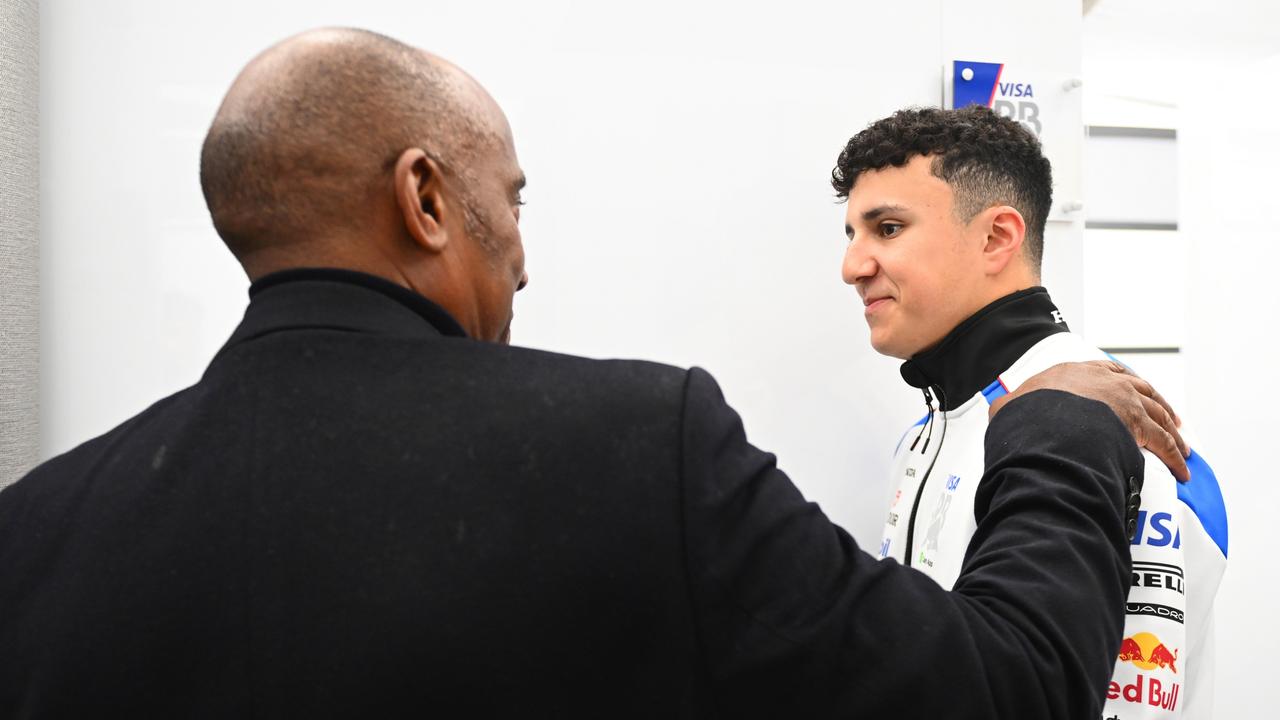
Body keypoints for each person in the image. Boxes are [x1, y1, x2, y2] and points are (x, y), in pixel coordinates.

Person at [0, 29, 1184, 718]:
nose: (519, 259)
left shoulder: (38, 532)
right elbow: (1007, 690)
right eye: (508, 204)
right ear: (423, 199)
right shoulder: (634, 445)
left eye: (887, 230)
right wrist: (1065, 426)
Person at [834, 105, 1227, 719]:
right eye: (852, 235)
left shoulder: (1118, 427)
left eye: (887, 229)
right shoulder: (923, 435)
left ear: (997, 237)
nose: (852, 267)